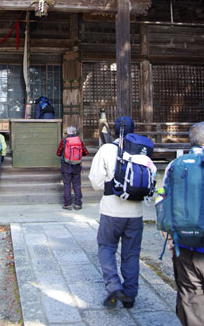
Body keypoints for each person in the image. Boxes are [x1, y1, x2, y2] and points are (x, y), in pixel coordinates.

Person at [88, 116, 142, 309]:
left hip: (112, 210)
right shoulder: (143, 150)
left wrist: (111, 185)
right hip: (136, 211)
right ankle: (130, 294)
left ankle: (113, 286)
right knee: (131, 253)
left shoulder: (107, 149)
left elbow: (95, 182)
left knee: (106, 247)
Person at [162, 121, 204, 326]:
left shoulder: (175, 165)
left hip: (184, 246)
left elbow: (163, 203)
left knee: (192, 302)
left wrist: (171, 238)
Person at [56, 126, 88, 210]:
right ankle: (78, 204)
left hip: (66, 165)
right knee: (77, 184)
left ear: (67, 132)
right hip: (77, 165)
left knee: (67, 184)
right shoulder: (79, 141)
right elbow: (85, 152)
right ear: (75, 132)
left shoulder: (64, 141)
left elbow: (58, 152)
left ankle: (67, 204)